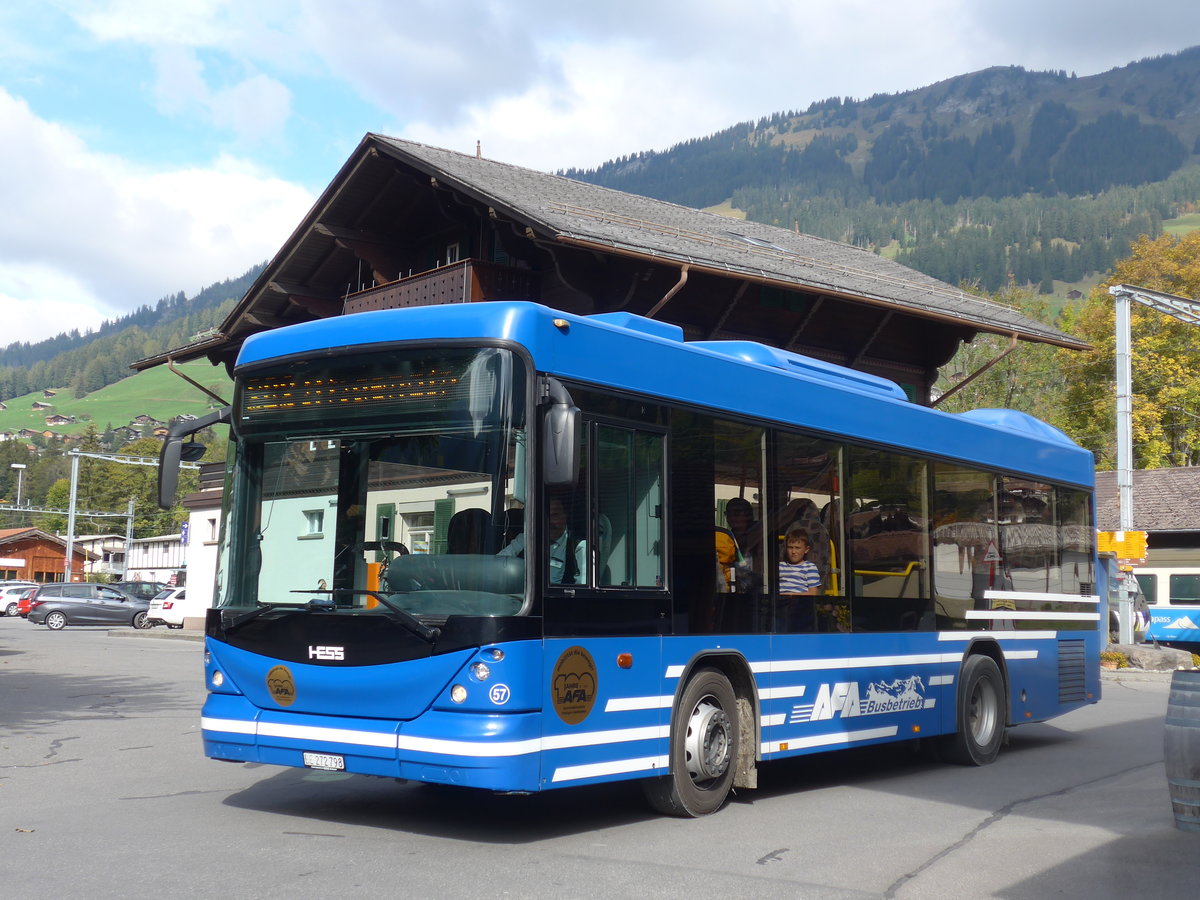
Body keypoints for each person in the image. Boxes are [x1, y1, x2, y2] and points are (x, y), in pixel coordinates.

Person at [498, 496, 586, 584]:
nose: (549, 522)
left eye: (555, 515)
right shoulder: (525, 539)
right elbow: (498, 564)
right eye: (545, 516)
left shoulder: (579, 546)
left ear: (565, 516)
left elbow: (582, 589)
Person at [778, 527, 821, 595]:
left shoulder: (810, 567)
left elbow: (813, 593)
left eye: (797, 548)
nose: (793, 551)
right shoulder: (780, 566)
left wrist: (790, 595)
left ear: (806, 549)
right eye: (790, 547)